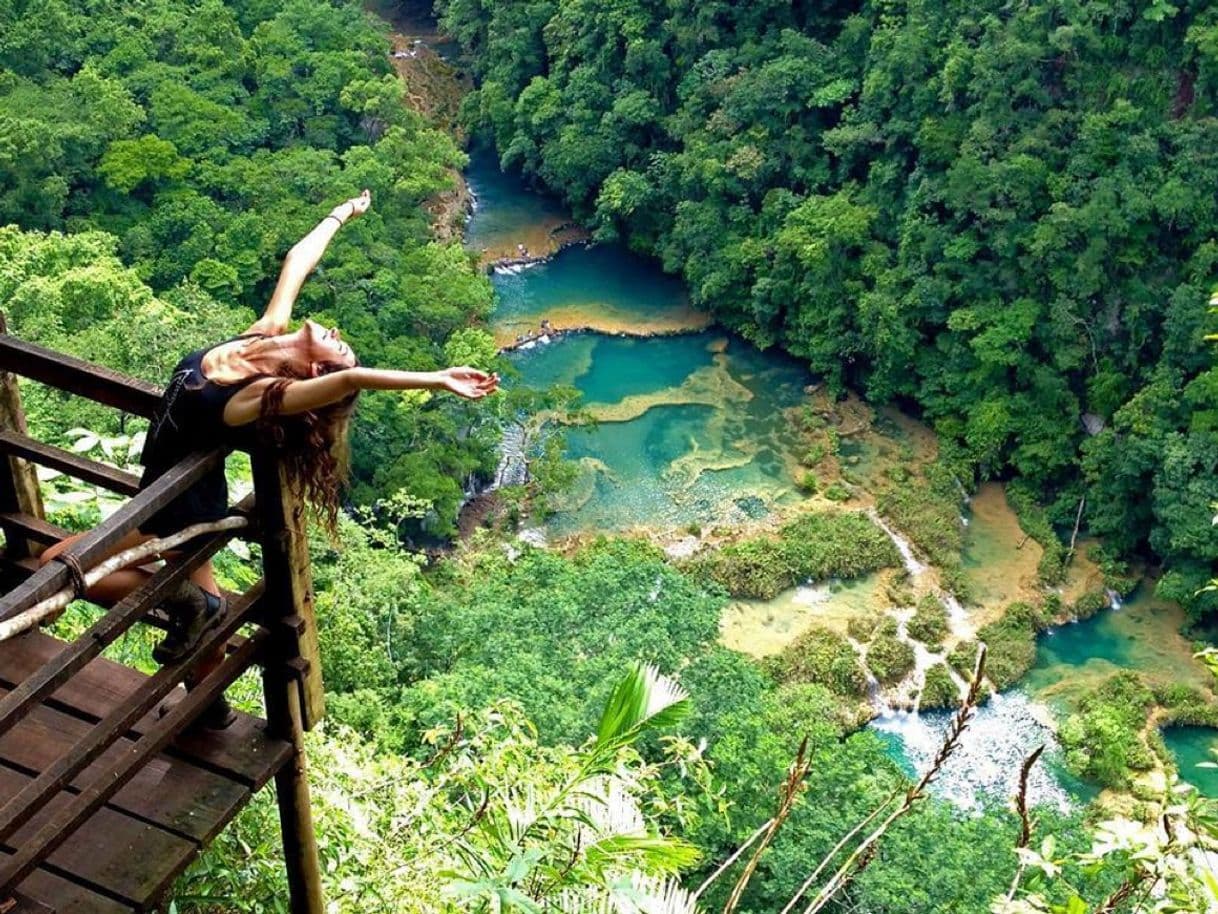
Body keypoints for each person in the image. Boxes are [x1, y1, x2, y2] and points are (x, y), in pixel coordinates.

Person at [40, 189, 498, 727]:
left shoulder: (256, 398)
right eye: (343, 343)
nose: (338, 336)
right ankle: (209, 712)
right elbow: (296, 261)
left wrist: (438, 379)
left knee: (57, 565)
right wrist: (341, 213)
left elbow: (351, 379)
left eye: (339, 348)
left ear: (312, 374)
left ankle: (193, 610)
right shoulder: (264, 335)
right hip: (186, 502)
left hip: (175, 511)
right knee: (203, 617)